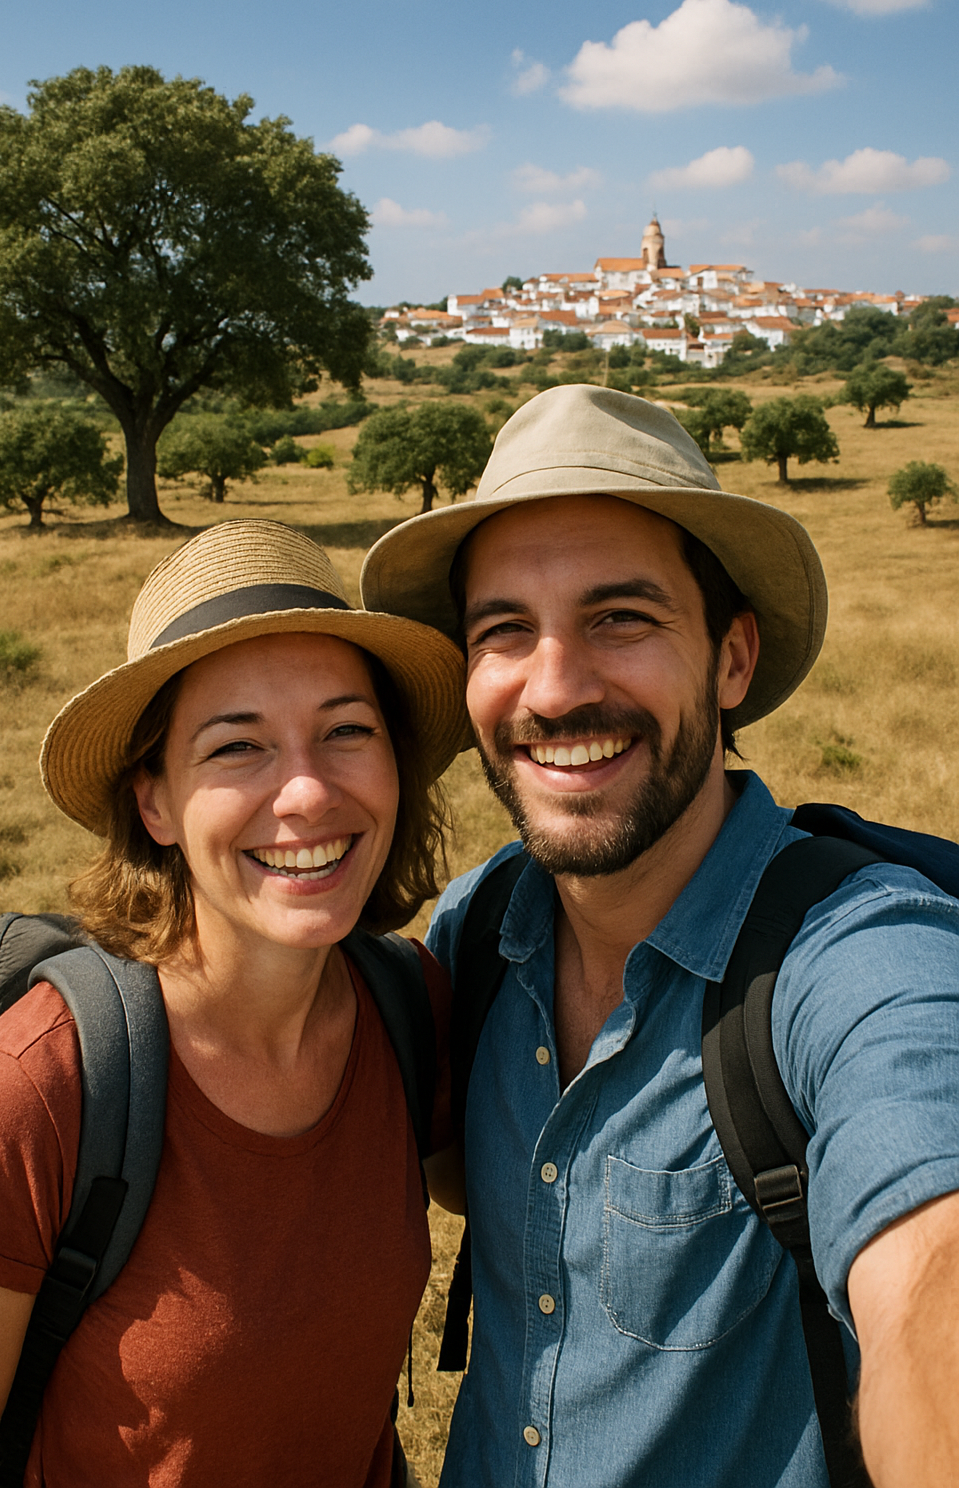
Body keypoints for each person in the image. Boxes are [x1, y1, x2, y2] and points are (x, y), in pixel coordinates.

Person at [360, 384, 959, 1488]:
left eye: (620, 620)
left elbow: (929, 1256)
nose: (554, 688)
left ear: (731, 662)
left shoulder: (859, 956)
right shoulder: (478, 931)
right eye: (504, 631)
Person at [0, 518, 468, 1488]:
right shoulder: (31, 1096)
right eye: (237, 747)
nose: (305, 792)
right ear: (155, 803)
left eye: (347, 730)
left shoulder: (406, 1006)